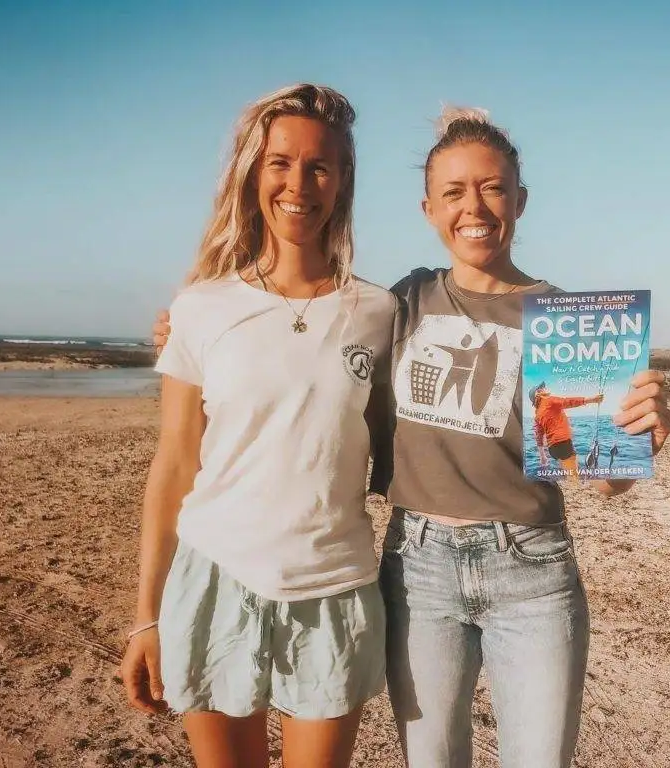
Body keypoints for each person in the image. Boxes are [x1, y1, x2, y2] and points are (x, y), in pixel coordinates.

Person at [154, 106, 670, 768]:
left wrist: (641, 438)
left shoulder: (567, 323)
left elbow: (602, 473)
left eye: (492, 187)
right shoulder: (400, 304)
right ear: (429, 209)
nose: (475, 207)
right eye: (454, 192)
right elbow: (306, 335)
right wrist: (187, 333)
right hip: (419, 566)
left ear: (521, 199)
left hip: (533, 569)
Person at [121, 83, 397, 768]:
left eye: (319, 166)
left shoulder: (382, 312)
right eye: (280, 162)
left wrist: (596, 423)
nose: (298, 183)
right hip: (215, 582)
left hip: (335, 588)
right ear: (254, 172)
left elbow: (431, 429)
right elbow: (175, 465)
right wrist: (147, 616)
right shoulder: (201, 308)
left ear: (343, 181)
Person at [529, 381, 604, 476]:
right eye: (541, 387)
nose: (544, 388)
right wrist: (590, 400)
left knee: (567, 471)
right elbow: (566, 402)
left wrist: (542, 456)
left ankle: (572, 483)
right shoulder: (548, 400)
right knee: (573, 475)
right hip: (563, 444)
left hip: (553, 449)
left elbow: (538, 437)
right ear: (538, 393)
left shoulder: (537, 415)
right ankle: (575, 486)